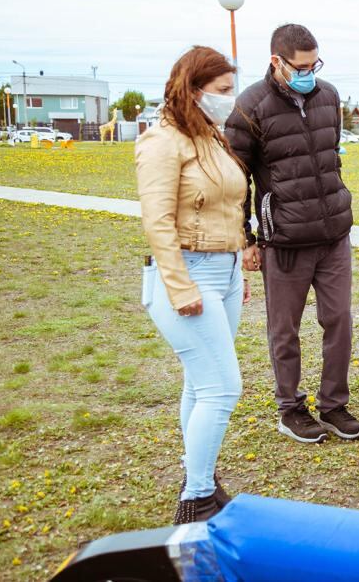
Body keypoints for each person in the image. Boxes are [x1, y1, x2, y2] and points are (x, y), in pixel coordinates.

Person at [226, 24, 359, 445]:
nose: (309, 73)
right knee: (284, 329)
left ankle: (334, 404)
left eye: (314, 64)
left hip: (333, 234)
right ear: (277, 62)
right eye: (300, 67)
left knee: (338, 320)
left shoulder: (328, 96)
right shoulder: (250, 105)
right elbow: (237, 179)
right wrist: (246, 238)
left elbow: (330, 159)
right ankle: (290, 409)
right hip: (284, 238)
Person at [136, 46, 248, 524]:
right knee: (223, 389)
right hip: (186, 272)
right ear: (194, 89)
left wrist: (240, 258)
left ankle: (198, 477)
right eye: (222, 91)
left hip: (224, 272)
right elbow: (157, 221)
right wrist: (181, 287)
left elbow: (230, 204)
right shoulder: (163, 141)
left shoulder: (211, 137)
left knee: (200, 386)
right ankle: (196, 499)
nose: (230, 99)